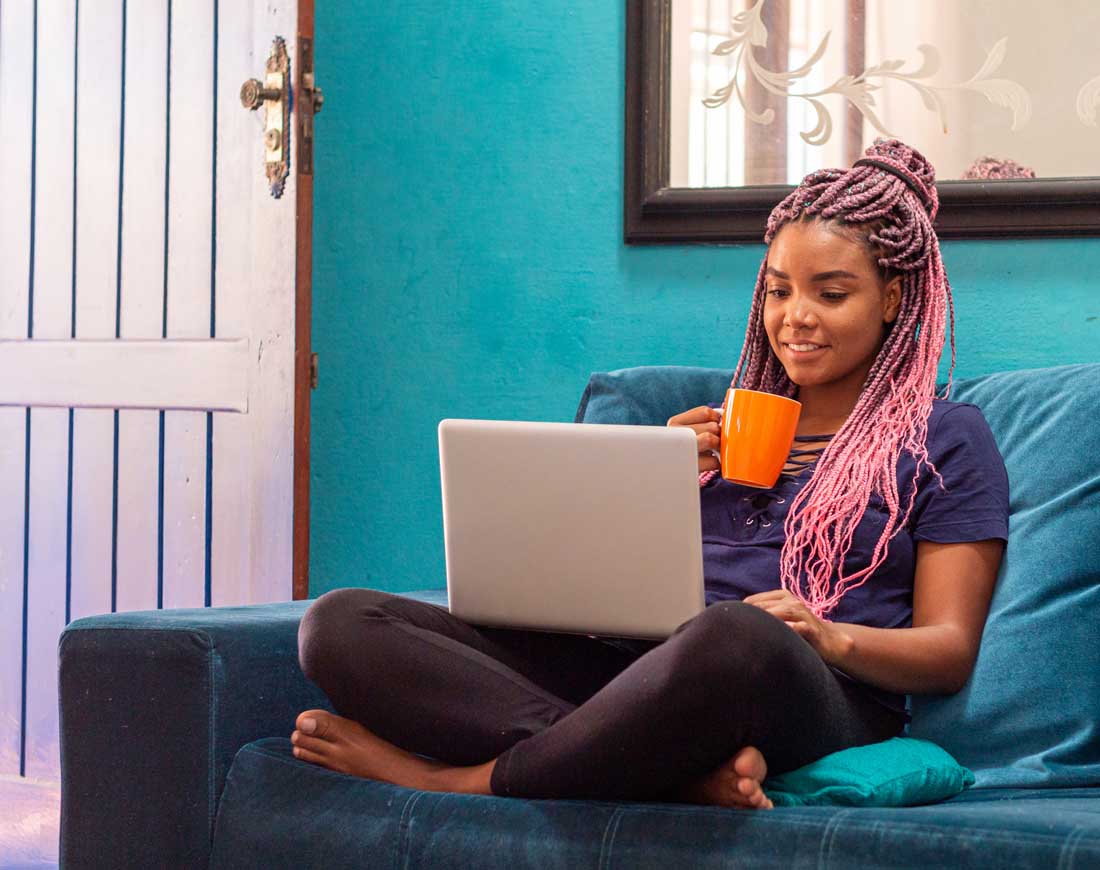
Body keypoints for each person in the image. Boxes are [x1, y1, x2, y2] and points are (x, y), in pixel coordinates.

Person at [291, 138, 1009, 811]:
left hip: (807, 688)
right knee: (341, 622)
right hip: (644, 674)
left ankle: (460, 781)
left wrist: (825, 636)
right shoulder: (712, 430)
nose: (795, 318)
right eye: (779, 290)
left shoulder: (945, 438)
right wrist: (651, 480)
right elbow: (588, 592)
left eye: (830, 292)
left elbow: (948, 649)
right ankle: (655, 767)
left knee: (736, 635)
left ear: (891, 300)